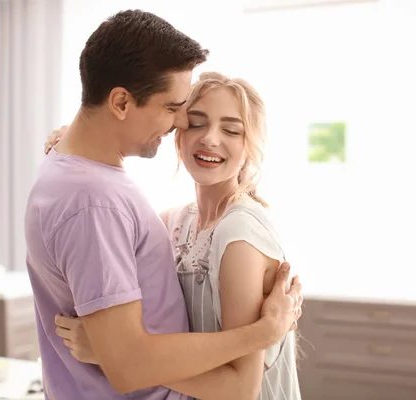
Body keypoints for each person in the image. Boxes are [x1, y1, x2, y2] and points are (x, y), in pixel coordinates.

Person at [25, 9, 303, 400]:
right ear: (120, 102)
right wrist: (120, 358)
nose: (200, 135)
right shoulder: (173, 220)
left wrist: (114, 358)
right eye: (187, 117)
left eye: (231, 129)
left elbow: (241, 386)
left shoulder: (238, 235)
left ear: (250, 144)